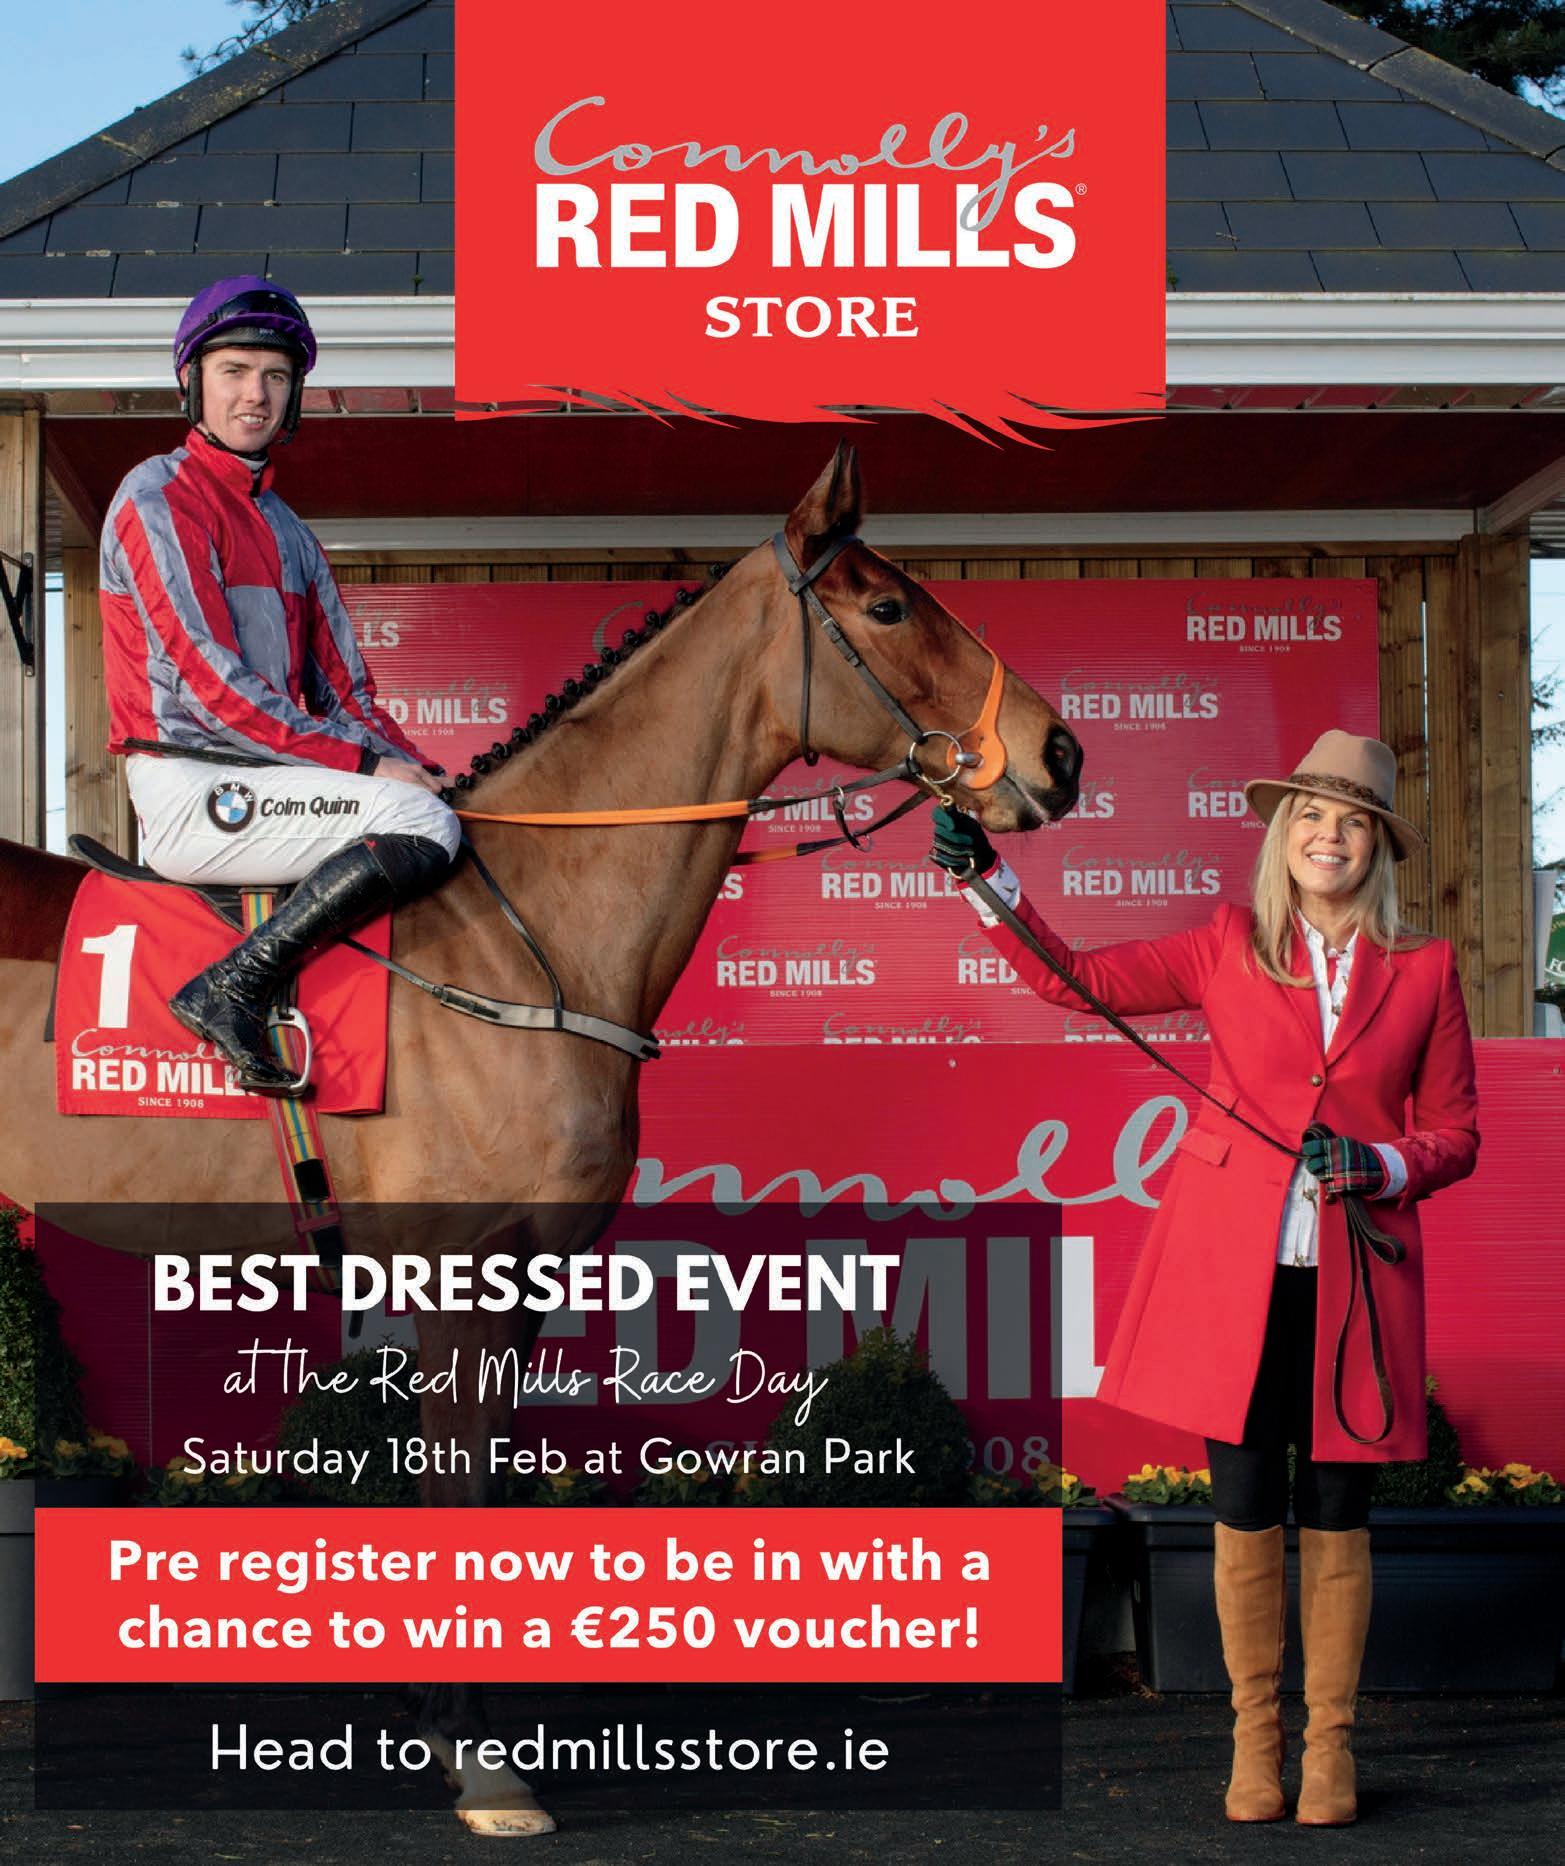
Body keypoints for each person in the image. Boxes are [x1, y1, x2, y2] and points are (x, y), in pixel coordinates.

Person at [931, 730, 1479, 1827]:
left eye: (1353, 821)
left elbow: (1457, 1133)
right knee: (1242, 1504)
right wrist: (985, 879)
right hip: (1234, 1279)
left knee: (1337, 1511)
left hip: (1355, 1280)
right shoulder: (1225, 944)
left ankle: (1328, 1749)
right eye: (1312, 816)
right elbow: (1076, 982)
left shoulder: (1423, 970)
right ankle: (1254, 1741)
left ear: (1376, 846)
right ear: (1284, 835)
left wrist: (1376, 1163)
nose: (1329, 836)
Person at [98, 276, 461, 1095]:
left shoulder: (290, 531)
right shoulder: (157, 497)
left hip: (272, 781)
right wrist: (372, 771)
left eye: (274, 375)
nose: (254, 394)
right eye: (233, 371)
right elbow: (210, 687)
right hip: (191, 784)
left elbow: (348, 696)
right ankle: (231, 988)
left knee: (438, 810)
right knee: (416, 820)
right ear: (192, 382)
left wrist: (421, 767)